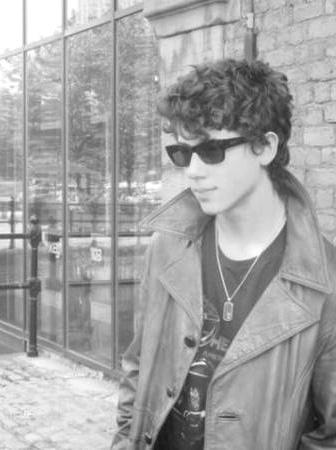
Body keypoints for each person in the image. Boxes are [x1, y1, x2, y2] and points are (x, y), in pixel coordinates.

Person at [111, 58, 336, 450]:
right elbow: (139, 368)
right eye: (182, 153)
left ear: (265, 146)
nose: (193, 170)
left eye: (212, 150)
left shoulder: (325, 281)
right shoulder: (168, 247)